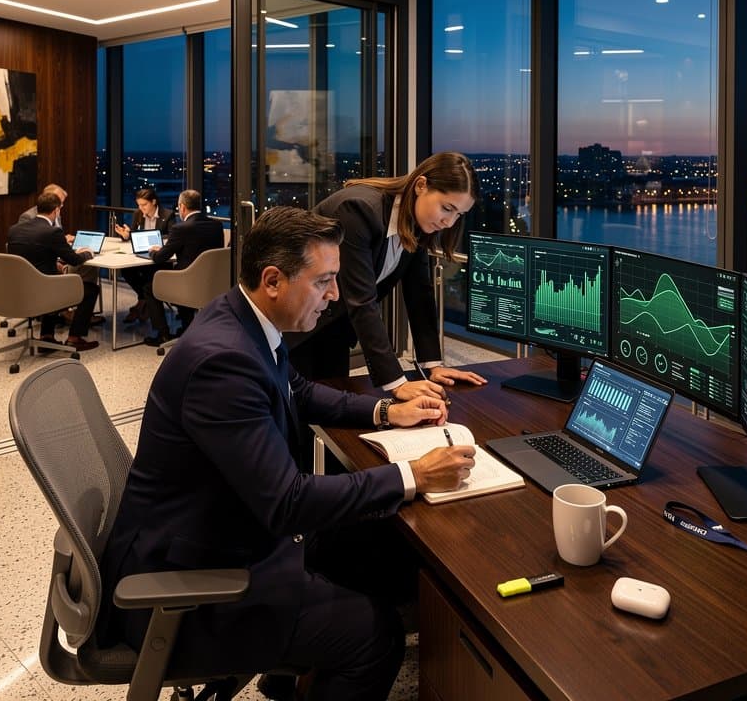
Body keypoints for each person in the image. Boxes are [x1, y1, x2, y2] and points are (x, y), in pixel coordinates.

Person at [97, 205, 475, 700]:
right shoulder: (224, 364)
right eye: (324, 281)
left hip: (219, 528)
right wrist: (413, 475)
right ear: (273, 280)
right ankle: (307, 662)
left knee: (387, 551)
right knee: (375, 637)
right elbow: (288, 502)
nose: (335, 295)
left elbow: (298, 390)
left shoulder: (240, 318)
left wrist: (386, 412)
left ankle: (291, 673)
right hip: (190, 581)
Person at [287, 151, 488, 400]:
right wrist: (396, 383)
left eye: (459, 214)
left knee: (329, 415)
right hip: (294, 324)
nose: (449, 222)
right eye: (447, 208)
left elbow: (419, 294)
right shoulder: (358, 210)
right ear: (421, 185)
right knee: (293, 417)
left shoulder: (417, 223)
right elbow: (361, 300)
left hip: (333, 327)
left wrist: (433, 365)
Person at [6, 190, 100, 351]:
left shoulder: (14, 229)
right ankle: (74, 338)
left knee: (51, 280)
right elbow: (74, 260)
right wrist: (87, 252)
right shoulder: (52, 232)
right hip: (44, 291)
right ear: (56, 210)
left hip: (19, 290)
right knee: (90, 289)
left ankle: (47, 337)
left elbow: (35, 255)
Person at [141, 188, 225, 346]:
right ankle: (188, 328)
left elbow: (160, 258)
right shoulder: (216, 226)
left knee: (149, 287)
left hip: (187, 284)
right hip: (211, 282)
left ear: (182, 207)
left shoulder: (181, 228)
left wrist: (153, 251)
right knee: (180, 276)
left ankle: (163, 334)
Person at [112, 187, 176, 323]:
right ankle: (144, 300)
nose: (141, 208)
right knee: (126, 270)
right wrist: (126, 235)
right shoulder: (138, 214)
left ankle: (143, 304)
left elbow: (172, 237)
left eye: (144, 205)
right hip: (142, 254)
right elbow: (134, 234)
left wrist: (155, 241)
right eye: (139, 205)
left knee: (149, 274)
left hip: (159, 257)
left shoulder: (167, 215)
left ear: (153, 202)